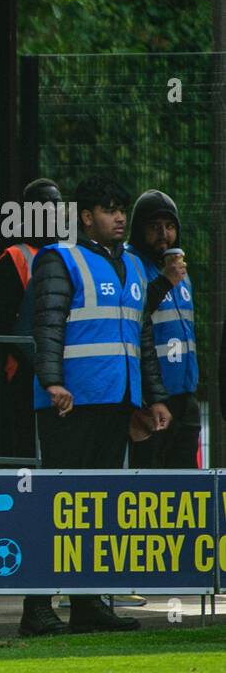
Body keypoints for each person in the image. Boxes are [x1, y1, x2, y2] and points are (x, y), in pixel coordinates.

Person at [23, 175, 170, 637]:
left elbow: (142, 337)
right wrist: (52, 382)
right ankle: (37, 608)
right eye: (109, 209)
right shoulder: (61, 259)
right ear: (86, 217)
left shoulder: (132, 265)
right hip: (70, 402)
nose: (120, 217)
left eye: (122, 208)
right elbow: (44, 326)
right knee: (55, 504)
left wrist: (153, 398)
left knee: (95, 507)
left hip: (114, 402)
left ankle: (88, 604)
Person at [0, 178, 63, 461]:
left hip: (66, 368)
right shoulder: (16, 257)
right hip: (24, 372)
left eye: (56, 206)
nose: (51, 212)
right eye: (42, 207)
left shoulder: (69, 255)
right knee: (26, 446)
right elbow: (1, 323)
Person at [126, 190, 197, 468]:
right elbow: (134, 315)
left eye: (169, 227)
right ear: (139, 230)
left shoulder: (179, 269)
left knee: (187, 482)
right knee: (150, 479)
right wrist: (165, 281)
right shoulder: (131, 264)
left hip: (184, 393)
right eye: (154, 227)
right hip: (151, 397)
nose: (163, 234)